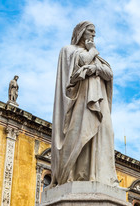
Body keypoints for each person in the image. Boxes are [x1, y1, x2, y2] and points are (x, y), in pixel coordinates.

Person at [50, 21, 118, 187]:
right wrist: (92, 51)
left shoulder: (96, 57)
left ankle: (98, 174)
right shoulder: (68, 50)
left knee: (104, 133)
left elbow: (109, 74)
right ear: (81, 32)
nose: (93, 35)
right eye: (90, 31)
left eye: (95, 32)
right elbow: (81, 62)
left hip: (98, 101)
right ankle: (77, 174)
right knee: (81, 134)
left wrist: (93, 69)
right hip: (80, 102)